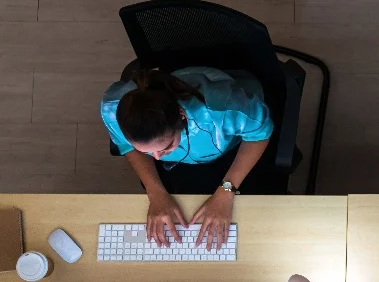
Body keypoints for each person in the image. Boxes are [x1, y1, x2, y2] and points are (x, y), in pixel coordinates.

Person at [101, 67, 275, 251]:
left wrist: (227, 190)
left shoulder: (222, 109)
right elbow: (127, 146)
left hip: (228, 149)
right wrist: (154, 191)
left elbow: (259, 135)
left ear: (182, 116)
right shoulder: (114, 109)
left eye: (165, 147)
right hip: (186, 160)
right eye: (145, 151)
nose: (157, 158)